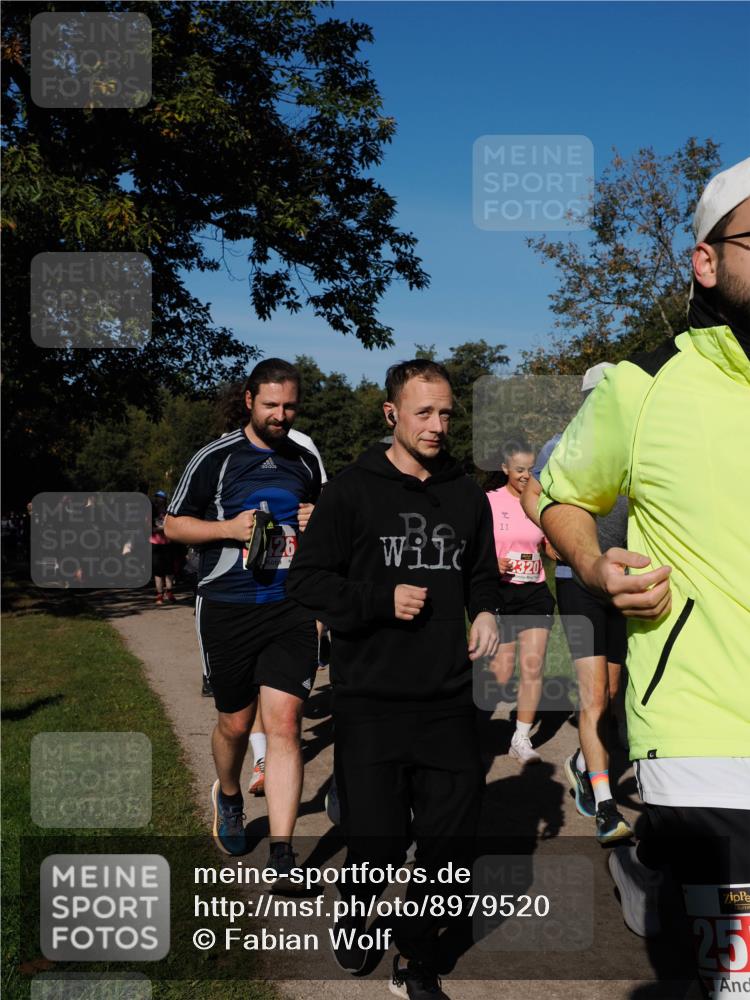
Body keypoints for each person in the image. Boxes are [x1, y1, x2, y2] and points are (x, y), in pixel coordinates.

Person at [536, 159, 750, 995]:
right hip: (703, 739)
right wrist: (593, 563)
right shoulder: (643, 384)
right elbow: (561, 494)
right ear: (706, 261)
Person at [287, 359, 501, 1000]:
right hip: (371, 700)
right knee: (376, 842)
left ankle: (415, 956)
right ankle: (356, 910)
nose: (437, 425)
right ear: (392, 414)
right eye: (423, 412)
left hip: (449, 698)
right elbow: (307, 581)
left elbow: (481, 573)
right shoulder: (352, 490)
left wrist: (486, 610)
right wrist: (380, 599)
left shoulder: (465, 493)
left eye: (446, 414)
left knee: (449, 844)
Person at [165, 358, 321, 873]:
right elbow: (173, 526)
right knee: (235, 723)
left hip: (290, 607)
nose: (281, 414)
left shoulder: (304, 461)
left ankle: (283, 851)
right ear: (250, 401)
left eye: (290, 406)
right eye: (271, 404)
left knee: (286, 724)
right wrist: (228, 529)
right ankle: (229, 795)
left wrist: (318, 520)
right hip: (227, 606)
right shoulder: (216, 457)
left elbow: (324, 529)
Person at [522, 365, 633, 843]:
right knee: (593, 695)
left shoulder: (636, 443)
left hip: (622, 582)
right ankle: (607, 806)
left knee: (613, 692)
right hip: (576, 581)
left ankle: (582, 763)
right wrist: (554, 535)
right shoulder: (560, 445)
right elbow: (533, 495)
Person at [485, 441, 555, 764]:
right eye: (519, 469)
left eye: (531, 469)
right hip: (500, 592)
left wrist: (559, 546)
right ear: (505, 469)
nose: (526, 475)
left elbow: (549, 545)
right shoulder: (488, 501)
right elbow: (473, 545)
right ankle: (470, 727)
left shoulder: (540, 503)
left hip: (534, 592)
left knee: (533, 665)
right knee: (500, 673)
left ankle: (521, 738)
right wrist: (491, 561)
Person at [150, 490, 175, 604]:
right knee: (158, 571)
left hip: (168, 544)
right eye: (158, 498)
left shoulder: (169, 513)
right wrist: (163, 529)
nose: (160, 501)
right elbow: (150, 529)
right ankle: (159, 595)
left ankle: (169, 592)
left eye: (162, 499)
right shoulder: (151, 513)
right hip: (155, 544)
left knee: (169, 570)